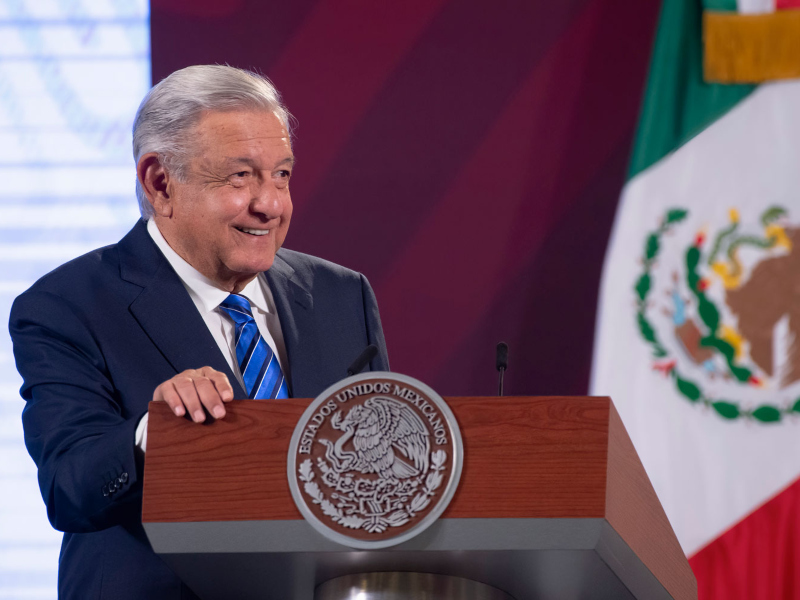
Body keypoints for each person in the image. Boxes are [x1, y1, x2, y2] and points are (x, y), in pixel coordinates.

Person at [9, 65, 389, 600]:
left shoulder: (340, 294)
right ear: (160, 183)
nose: (270, 205)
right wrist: (156, 432)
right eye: (240, 177)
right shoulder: (66, 305)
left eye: (281, 175)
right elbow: (69, 487)